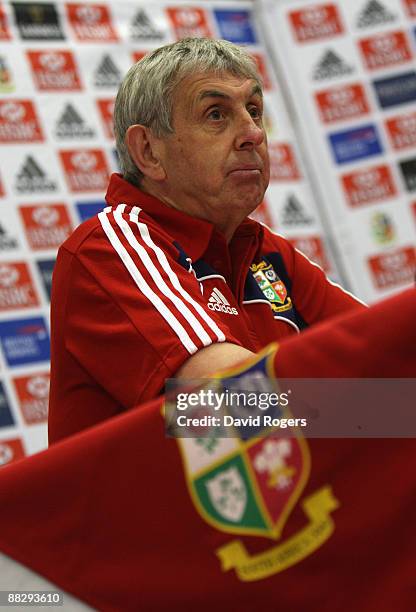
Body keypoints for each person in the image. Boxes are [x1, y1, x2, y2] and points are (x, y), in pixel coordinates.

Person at [48, 38, 364, 444]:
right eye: (216, 115)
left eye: (254, 111)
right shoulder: (108, 247)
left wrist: (392, 404)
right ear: (148, 152)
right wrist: (388, 410)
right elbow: (240, 405)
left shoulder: (264, 250)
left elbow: (385, 355)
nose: (252, 133)